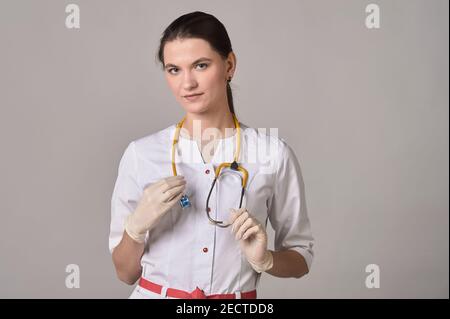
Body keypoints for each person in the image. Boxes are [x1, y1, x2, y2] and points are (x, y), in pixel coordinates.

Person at [109, 11, 314, 299]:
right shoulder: (141, 155)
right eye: (174, 69)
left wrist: (265, 259)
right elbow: (125, 272)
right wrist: (135, 227)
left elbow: (300, 259)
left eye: (201, 65)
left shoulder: (272, 154)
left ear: (229, 65)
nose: (187, 83)